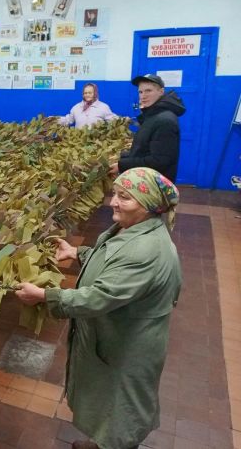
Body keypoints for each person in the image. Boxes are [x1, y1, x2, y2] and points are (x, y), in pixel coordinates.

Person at [16, 167, 182, 449]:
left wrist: (46, 295)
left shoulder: (146, 250)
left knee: (122, 407)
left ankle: (114, 444)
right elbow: (112, 263)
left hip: (129, 345)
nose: (113, 202)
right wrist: (77, 253)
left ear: (150, 205)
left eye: (125, 198)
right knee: (110, 402)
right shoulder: (133, 229)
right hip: (120, 335)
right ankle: (104, 443)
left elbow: (99, 296)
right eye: (115, 194)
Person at [109, 74, 185, 182]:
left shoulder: (165, 121)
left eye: (148, 91)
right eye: (140, 92)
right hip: (145, 181)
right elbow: (144, 151)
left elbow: (159, 160)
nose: (143, 96)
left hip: (155, 187)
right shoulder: (152, 116)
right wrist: (120, 156)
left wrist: (121, 165)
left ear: (161, 92)